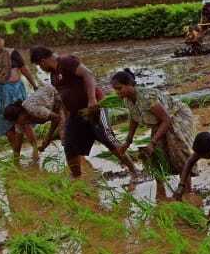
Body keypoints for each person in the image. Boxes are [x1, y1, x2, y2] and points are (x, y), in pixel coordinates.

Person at [29, 46, 135, 178]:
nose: (40, 68)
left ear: (43, 61)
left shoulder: (66, 62)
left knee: (108, 139)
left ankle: (134, 171)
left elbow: (88, 74)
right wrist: (66, 123)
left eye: (39, 65)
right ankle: (76, 177)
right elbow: (64, 100)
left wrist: (92, 99)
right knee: (69, 144)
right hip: (76, 113)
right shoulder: (53, 76)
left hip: (94, 109)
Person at [110, 69, 196, 198]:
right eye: (115, 90)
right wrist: (128, 142)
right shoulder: (127, 100)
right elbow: (134, 118)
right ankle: (160, 191)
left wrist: (152, 142)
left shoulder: (147, 97)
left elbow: (166, 119)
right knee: (155, 156)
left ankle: (188, 191)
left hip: (176, 117)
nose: (117, 92)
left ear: (129, 84)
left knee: (178, 153)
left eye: (119, 88)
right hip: (159, 122)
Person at [0, 33, 38, 137]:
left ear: (3, 41)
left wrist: (34, 85)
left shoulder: (13, 53)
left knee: (22, 118)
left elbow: (24, 69)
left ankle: (33, 144)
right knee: (4, 121)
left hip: (16, 92)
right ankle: (15, 146)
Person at [2, 84, 62, 163]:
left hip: (59, 96)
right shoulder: (20, 122)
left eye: (16, 121)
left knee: (65, 135)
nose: (17, 123)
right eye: (15, 122)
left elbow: (57, 118)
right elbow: (18, 144)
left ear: (21, 114)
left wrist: (48, 138)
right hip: (53, 107)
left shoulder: (33, 109)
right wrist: (16, 162)